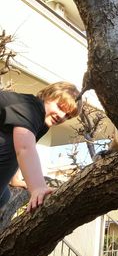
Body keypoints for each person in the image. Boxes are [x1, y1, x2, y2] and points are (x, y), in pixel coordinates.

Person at [0, 81, 82, 212]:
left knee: (4, 197)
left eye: (67, 116)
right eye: (60, 107)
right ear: (47, 96)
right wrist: (38, 188)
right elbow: (24, 149)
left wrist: (15, 180)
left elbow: (19, 146)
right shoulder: (31, 108)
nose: (61, 116)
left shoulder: (42, 123)